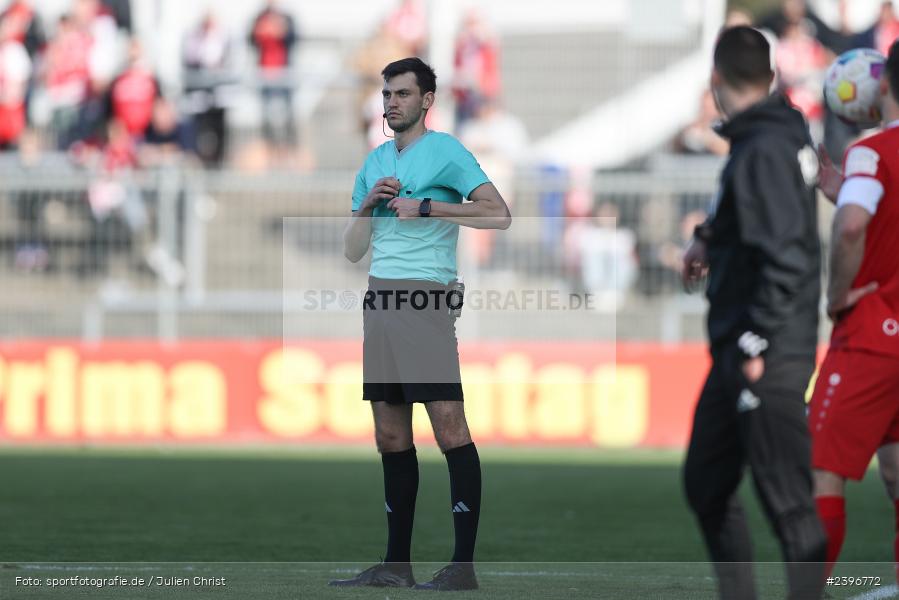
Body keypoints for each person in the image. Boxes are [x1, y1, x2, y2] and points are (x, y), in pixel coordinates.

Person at [329, 57, 511, 591]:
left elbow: (498, 213)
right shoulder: (374, 162)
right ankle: (396, 564)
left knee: (449, 427)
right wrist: (367, 206)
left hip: (425, 298)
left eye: (403, 94)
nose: (392, 103)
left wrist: (428, 207)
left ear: (427, 101)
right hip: (380, 300)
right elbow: (352, 250)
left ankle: (462, 566)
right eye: (387, 94)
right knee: (389, 434)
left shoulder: (447, 151)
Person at [681, 26, 826, 600]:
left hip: (765, 345)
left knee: (786, 499)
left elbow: (785, 255)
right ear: (769, 76)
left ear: (716, 79)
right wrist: (708, 235)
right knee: (706, 482)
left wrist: (759, 341)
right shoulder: (770, 133)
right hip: (741, 342)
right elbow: (754, 214)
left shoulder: (764, 145)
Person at [810, 39, 899, 583]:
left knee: (820, 470)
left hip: (874, 336)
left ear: (880, 84)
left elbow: (850, 228)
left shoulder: (872, 152)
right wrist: (846, 192)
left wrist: (836, 297)